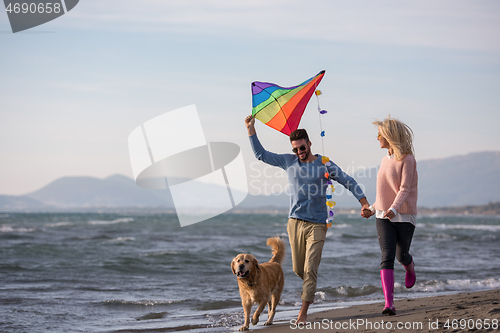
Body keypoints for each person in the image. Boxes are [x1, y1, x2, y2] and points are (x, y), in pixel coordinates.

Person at [245, 115, 372, 323]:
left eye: (301, 148)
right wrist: (251, 129)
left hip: (318, 224)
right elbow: (261, 154)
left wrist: (364, 202)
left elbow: (347, 180)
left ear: (309, 144)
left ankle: (302, 313)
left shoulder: (324, 164)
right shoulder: (288, 161)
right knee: (298, 269)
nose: (299, 152)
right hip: (294, 222)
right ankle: (310, 287)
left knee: (311, 268)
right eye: (295, 149)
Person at [367, 116, 418, 316]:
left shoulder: (408, 160)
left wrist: (394, 209)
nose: (377, 137)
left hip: (404, 215)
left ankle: (409, 267)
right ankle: (389, 304)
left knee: (401, 255)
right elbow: (383, 193)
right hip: (383, 216)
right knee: (386, 256)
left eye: (380, 134)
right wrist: (372, 209)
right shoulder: (383, 160)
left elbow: (404, 190)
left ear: (389, 136)